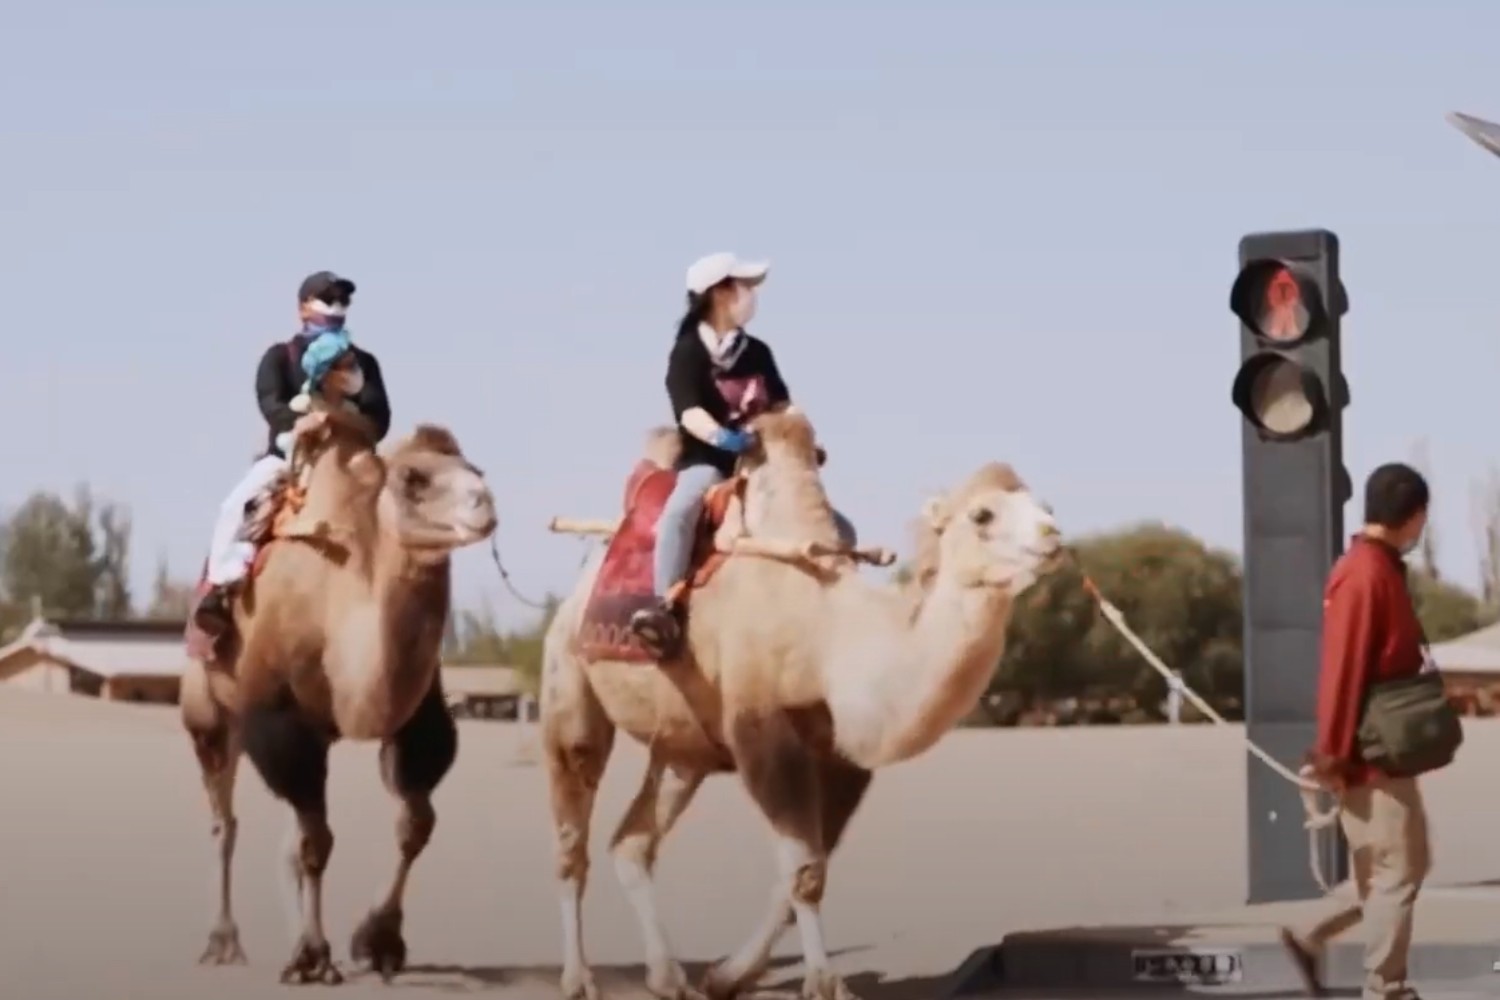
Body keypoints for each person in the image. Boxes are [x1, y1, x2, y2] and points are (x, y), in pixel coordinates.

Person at [628, 251, 857, 657]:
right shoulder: (687, 352)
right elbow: (689, 411)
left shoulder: (757, 352)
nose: (751, 295)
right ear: (719, 293)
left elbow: (781, 406)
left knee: (839, 528)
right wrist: (726, 439)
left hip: (767, 466)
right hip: (710, 464)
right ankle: (663, 605)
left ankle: (839, 610)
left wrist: (802, 435)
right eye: (744, 286)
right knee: (679, 512)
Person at [1280, 462, 1434, 1000]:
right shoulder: (1366, 574)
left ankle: (1312, 937)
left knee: (1390, 865)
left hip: (1380, 752)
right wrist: (1333, 757)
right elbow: (1343, 671)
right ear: (1414, 517)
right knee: (1399, 867)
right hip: (1372, 756)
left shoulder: (1376, 569)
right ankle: (1383, 988)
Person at [192, 271, 392, 635]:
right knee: (236, 507)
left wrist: (340, 422)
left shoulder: (364, 363)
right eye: (326, 298)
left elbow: (379, 419)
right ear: (302, 307)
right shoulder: (280, 357)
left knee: (404, 515)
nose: (335, 307)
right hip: (290, 459)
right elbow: (271, 404)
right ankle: (221, 588)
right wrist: (301, 423)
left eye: (342, 300)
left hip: (352, 463)